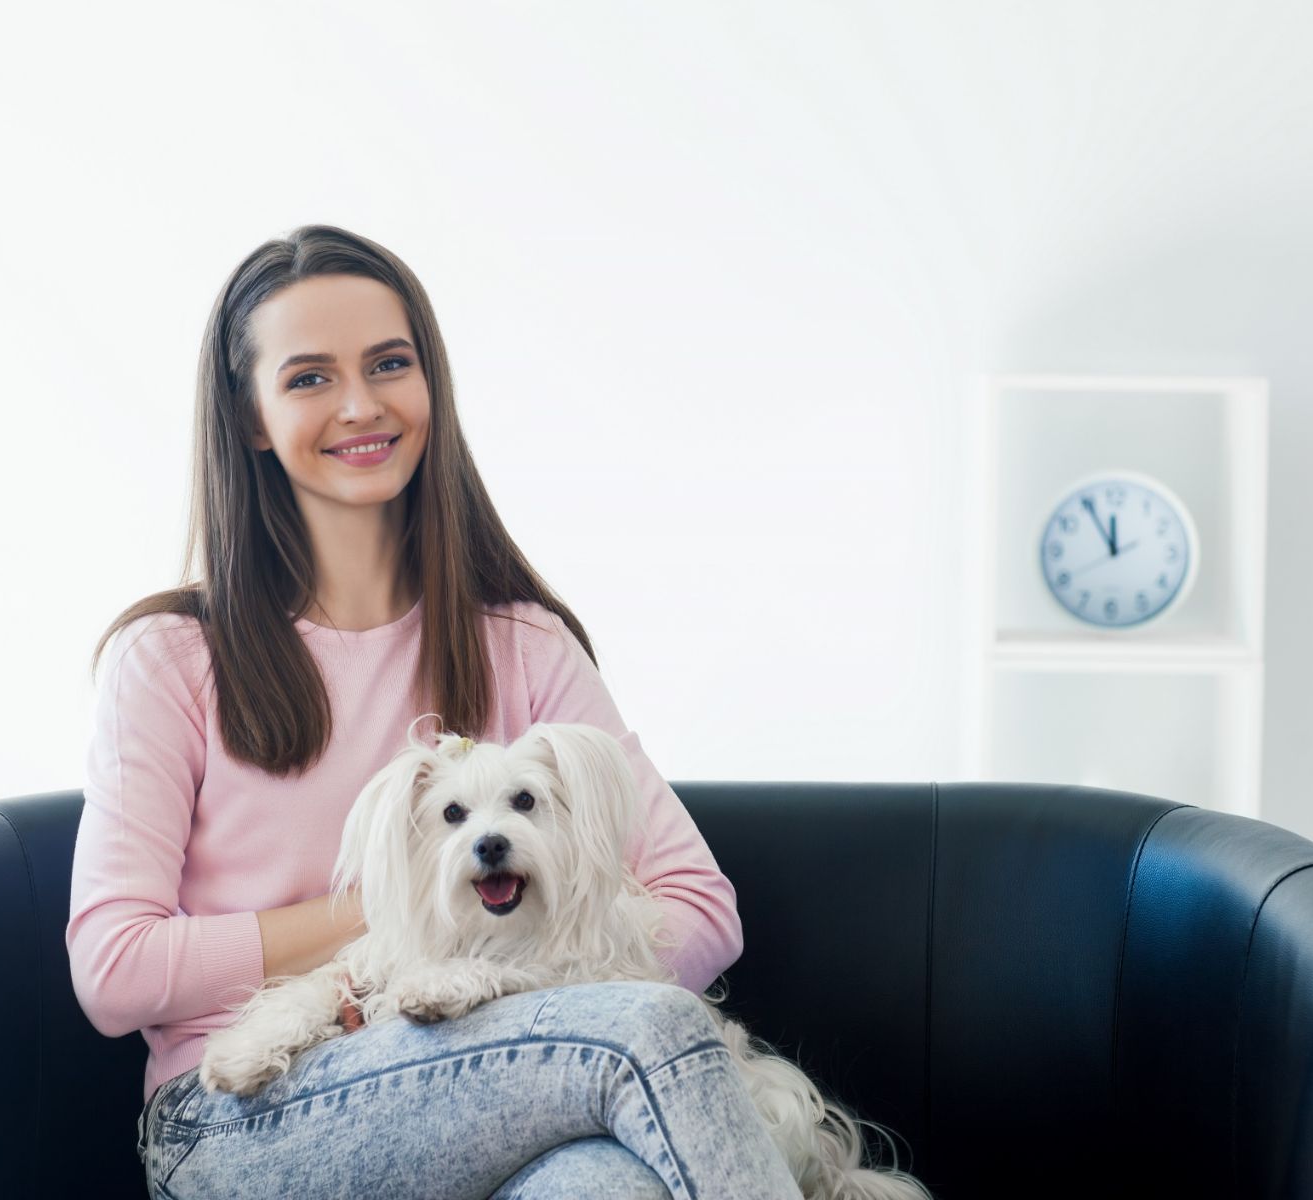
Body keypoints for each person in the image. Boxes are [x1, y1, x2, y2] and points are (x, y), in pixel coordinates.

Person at [66, 225, 802, 1199]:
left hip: (511, 1057)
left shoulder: (526, 645)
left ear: (430, 385)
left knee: (603, 1189)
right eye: (309, 378)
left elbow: (702, 910)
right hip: (250, 1112)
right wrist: (399, 913)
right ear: (249, 418)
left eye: (388, 364)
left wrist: (510, 964)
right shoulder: (169, 659)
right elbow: (116, 971)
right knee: (657, 1033)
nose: (362, 405)